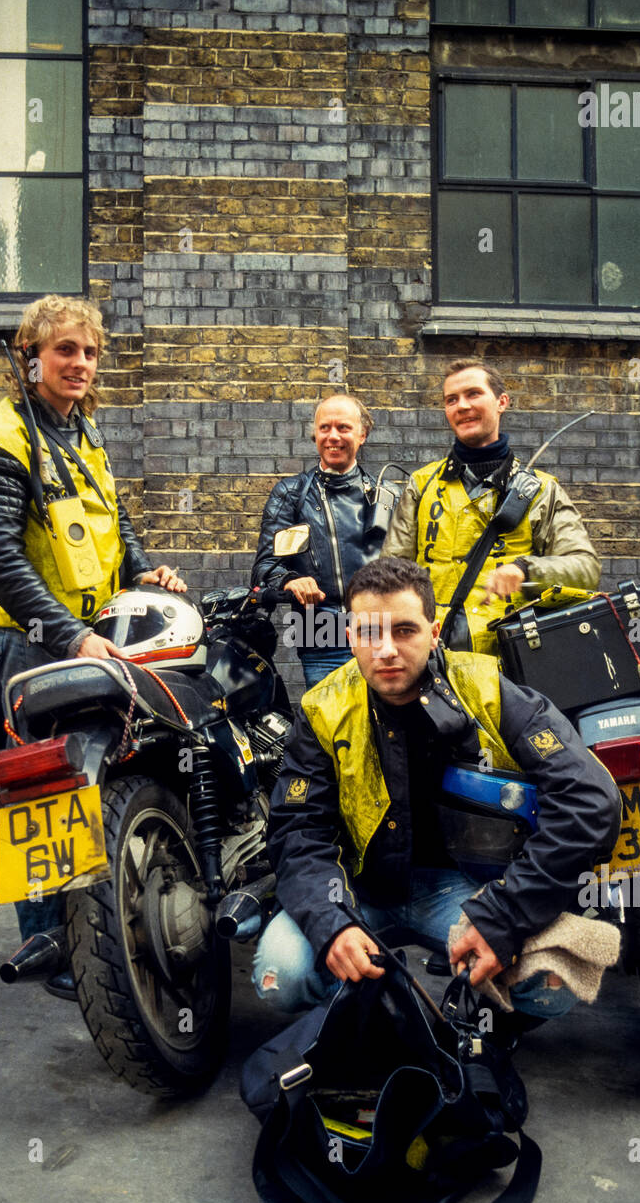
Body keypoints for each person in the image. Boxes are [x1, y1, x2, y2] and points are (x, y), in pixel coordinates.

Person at [253, 557, 621, 1036]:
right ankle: (377, 1011)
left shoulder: (488, 689)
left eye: (405, 631)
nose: (385, 650)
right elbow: (297, 829)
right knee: (283, 973)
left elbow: (590, 799)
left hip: (469, 890)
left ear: (435, 630)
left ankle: (483, 1021)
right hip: (359, 890)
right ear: (349, 637)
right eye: (368, 633)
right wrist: (332, 923)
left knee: (551, 985)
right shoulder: (322, 708)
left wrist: (502, 917)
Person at [0, 294, 185, 996]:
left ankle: (90, 930)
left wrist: (143, 568)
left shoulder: (82, 431)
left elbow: (115, 520)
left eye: (89, 352)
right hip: (32, 643)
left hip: (93, 638)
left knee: (93, 785)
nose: (80, 363)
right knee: (44, 793)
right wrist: (70, 634)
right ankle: (47, 943)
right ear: (30, 358)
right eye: (64, 351)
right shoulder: (1, 438)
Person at [381, 359, 600, 654]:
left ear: (502, 402)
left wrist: (525, 569)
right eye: (451, 400)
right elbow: (390, 573)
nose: (462, 406)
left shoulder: (542, 490)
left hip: (514, 657)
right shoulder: (422, 485)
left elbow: (585, 568)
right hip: (436, 656)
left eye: (473, 394)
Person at [251, 393, 394, 688]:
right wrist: (290, 580)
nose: (333, 437)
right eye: (325, 428)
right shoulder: (291, 494)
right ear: (315, 434)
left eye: (343, 428)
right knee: (330, 728)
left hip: (379, 633)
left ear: (362, 434)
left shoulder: (387, 496)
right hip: (318, 635)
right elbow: (265, 567)